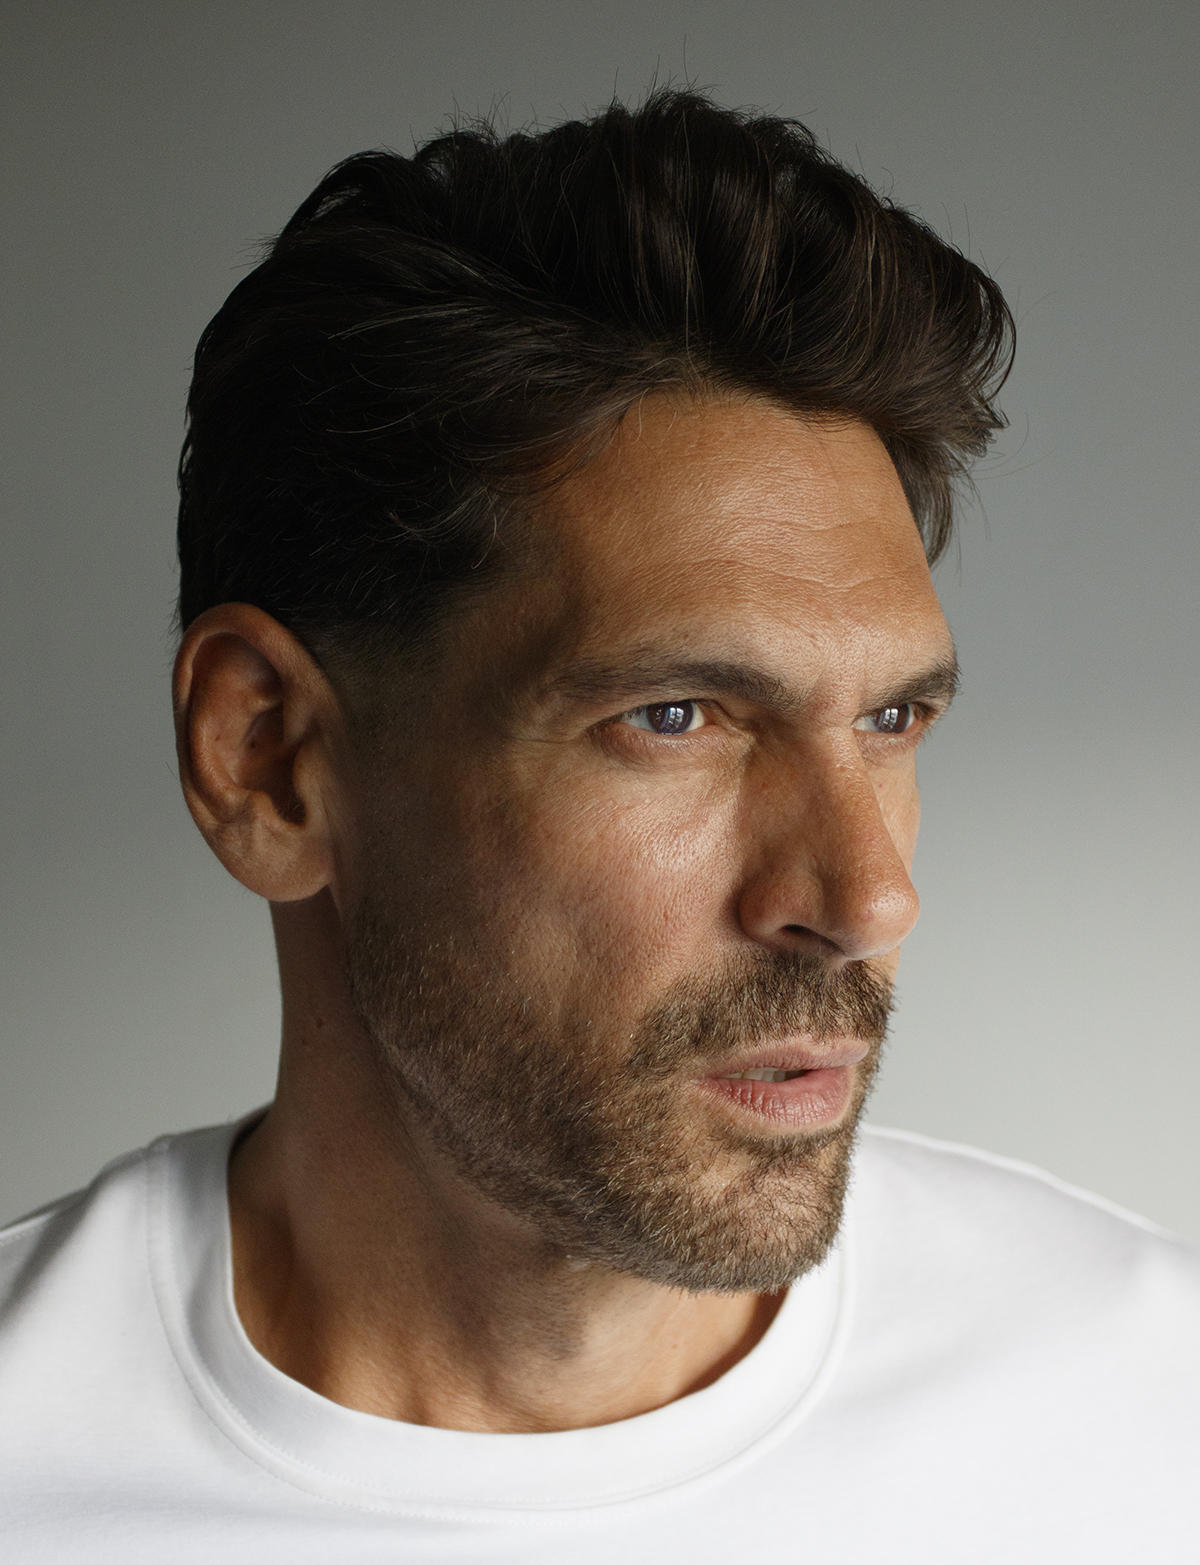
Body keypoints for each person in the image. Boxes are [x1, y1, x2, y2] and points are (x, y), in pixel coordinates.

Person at [1, 89, 1196, 1562]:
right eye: (676, 716)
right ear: (271, 761)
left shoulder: (1147, 1406)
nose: (866, 898)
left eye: (891, 718)